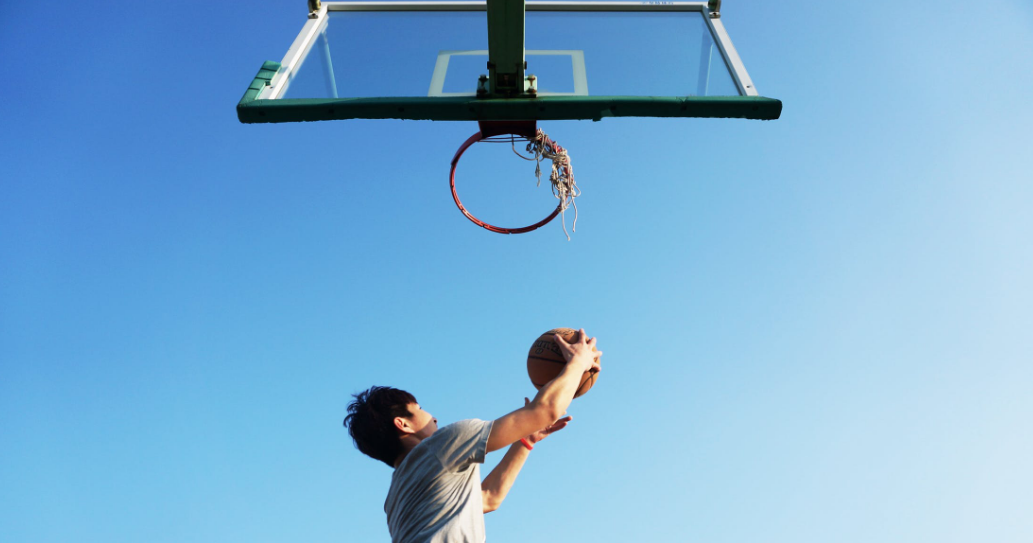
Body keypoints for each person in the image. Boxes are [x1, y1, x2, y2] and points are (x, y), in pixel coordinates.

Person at [343, 330, 602, 543]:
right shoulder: (441, 445)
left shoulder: (395, 500)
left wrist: (526, 441)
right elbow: (546, 410)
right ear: (403, 424)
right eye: (420, 409)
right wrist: (578, 362)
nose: (433, 417)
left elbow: (489, 497)